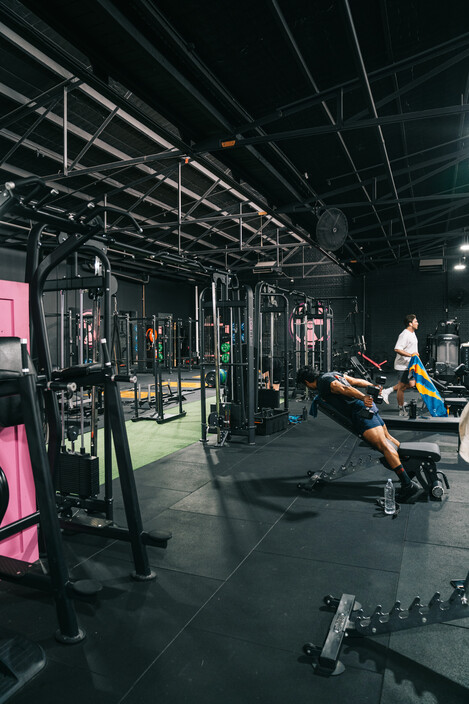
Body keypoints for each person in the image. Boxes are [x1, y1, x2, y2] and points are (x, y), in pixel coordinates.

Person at [296, 366, 419, 500]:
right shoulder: (332, 374)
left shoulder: (324, 382)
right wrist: (373, 386)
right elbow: (356, 381)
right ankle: (410, 468)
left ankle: (408, 485)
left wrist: (363, 397)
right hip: (367, 408)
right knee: (388, 438)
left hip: (362, 412)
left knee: (384, 445)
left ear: (307, 382)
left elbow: (344, 388)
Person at [381, 314, 419, 415]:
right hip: (403, 365)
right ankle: (401, 409)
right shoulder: (404, 334)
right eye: (415, 321)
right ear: (410, 323)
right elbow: (397, 349)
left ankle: (387, 391)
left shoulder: (412, 333)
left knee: (411, 384)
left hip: (410, 364)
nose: (417, 323)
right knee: (401, 387)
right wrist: (411, 355)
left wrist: (415, 354)